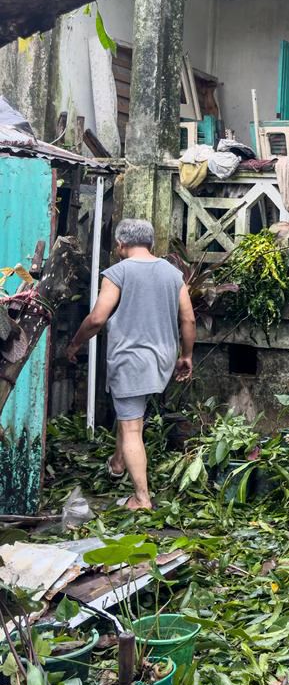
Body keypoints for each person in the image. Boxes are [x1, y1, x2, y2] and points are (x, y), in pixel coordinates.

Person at [67, 219, 195, 511]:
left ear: (120, 244)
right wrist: (186, 356)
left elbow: (97, 318)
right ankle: (118, 463)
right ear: (151, 243)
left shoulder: (118, 272)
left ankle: (141, 498)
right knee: (131, 413)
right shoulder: (173, 274)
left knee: (132, 426)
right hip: (162, 359)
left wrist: (75, 343)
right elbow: (188, 319)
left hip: (131, 359)